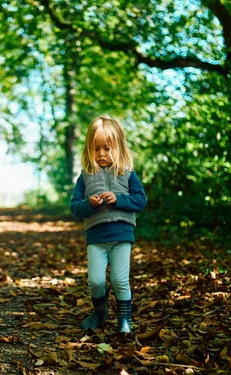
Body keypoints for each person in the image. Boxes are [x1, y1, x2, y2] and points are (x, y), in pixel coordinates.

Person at [69, 115, 147, 333]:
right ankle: (101, 311)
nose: (101, 154)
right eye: (96, 149)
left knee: (120, 279)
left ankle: (124, 320)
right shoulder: (86, 176)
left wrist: (119, 199)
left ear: (118, 148)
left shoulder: (127, 173)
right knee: (95, 281)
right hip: (96, 238)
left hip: (122, 235)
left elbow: (141, 200)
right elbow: (75, 207)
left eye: (107, 148)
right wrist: (89, 204)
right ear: (89, 150)